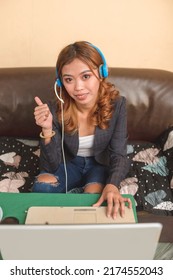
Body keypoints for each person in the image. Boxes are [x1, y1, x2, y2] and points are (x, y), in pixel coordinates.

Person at [33, 41, 132, 218]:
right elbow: (50, 165)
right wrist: (47, 129)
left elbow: (119, 153)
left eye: (85, 76)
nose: (78, 88)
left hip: (98, 164)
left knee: (93, 202)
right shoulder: (55, 109)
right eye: (69, 79)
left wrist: (113, 184)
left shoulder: (118, 105)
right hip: (68, 164)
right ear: (61, 82)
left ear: (101, 73)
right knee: (42, 187)